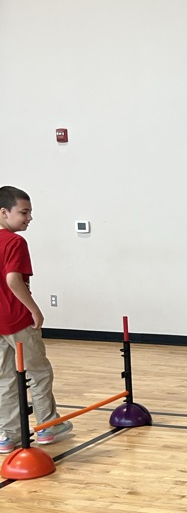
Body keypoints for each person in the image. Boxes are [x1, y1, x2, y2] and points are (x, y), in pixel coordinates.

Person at [0, 186, 73, 453]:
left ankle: (8, 435)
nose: (29, 218)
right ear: (4, 212)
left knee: (5, 378)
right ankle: (47, 426)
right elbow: (12, 279)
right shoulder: (15, 242)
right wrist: (35, 309)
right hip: (16, 319)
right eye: (24, 212)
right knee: (39, 372)